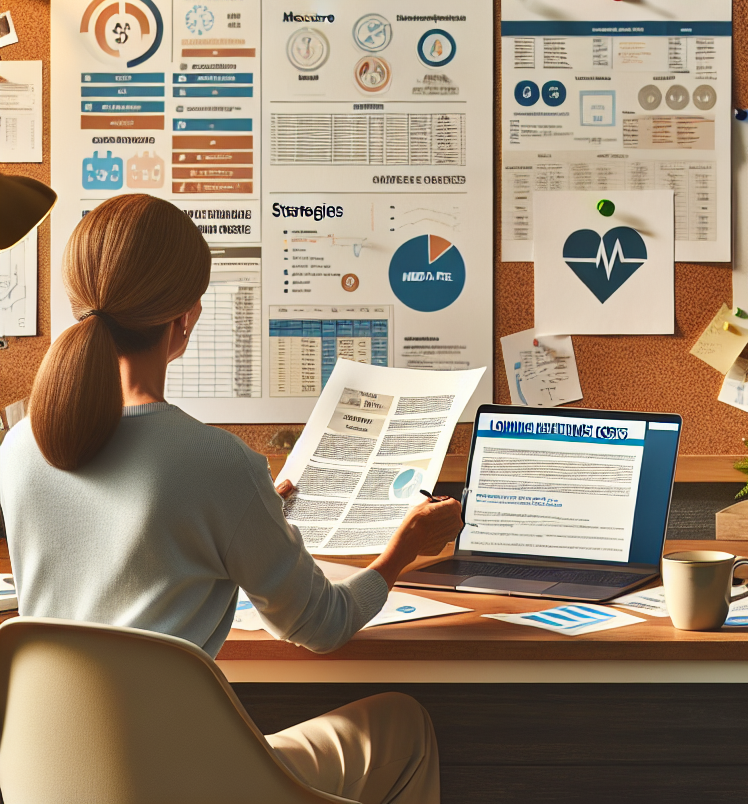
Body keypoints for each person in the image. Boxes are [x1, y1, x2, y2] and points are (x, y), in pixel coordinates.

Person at [0, 194, 463, 804]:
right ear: (186, 318)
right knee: (404, 724)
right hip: (184, 784)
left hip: (52, 780)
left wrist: (252, 512)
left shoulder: (19, 446)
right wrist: (402, 551)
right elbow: (320, 626)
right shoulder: (218, 465)